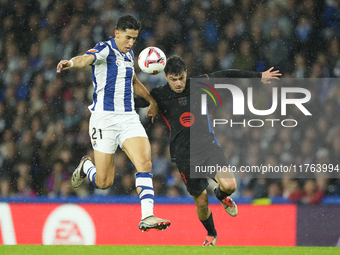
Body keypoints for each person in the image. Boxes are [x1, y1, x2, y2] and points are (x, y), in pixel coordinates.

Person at [135, 55, 281, 245]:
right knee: (201, 203)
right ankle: (211, 234)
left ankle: (220, 196)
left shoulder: (199, 84)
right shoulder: (160, 95)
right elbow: (137, 101)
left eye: (181, 78)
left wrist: (258, 75)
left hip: (207, 147)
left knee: (230, 186)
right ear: (166, 76)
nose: (178, 83)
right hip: (184, 156)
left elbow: (228, 74)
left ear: (186, 73)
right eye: (173, 79)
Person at [56, 14, 170, 231]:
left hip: (128, 118)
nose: (131, 43)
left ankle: (148, 216)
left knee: (145, 163)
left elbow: (134, 81)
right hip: (104, 120)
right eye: (128, 38)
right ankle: (86, 166)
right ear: (116, 34)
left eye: (134, 39)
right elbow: (84, 59)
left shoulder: (129, 55)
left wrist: (151, 101)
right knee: (103, 182)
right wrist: (70, 62)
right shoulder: (104, 49)